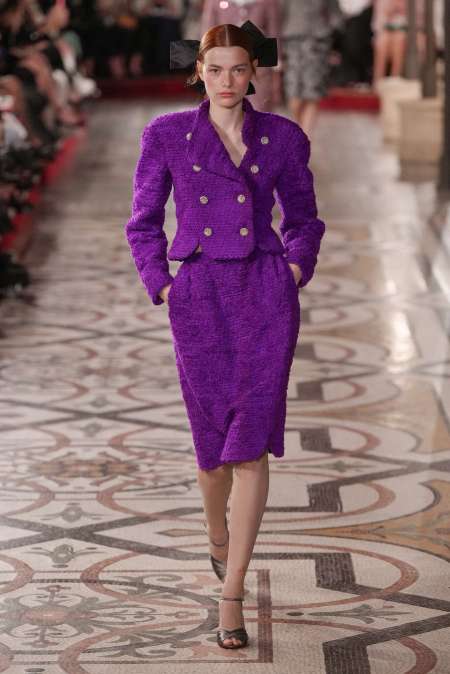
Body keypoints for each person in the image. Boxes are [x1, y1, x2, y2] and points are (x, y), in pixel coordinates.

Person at [125, 19, 325, 650]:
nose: (227, 81)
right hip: (200, 297)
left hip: (265, 294)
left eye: (239, 69)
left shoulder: (283, 137)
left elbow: (304, 219)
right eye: (216, 70)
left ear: (255, 72)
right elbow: (143, 221)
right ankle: (218, 535)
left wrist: (294, 270)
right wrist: (162, 284)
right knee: (212, 454)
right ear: (199, 72)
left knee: (251, 447)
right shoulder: (166, 134)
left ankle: (231, 590)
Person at [200, 0, 283, 111]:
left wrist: (276, 76)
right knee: (227, 111)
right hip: (224, 67)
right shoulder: (214, 2)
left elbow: (274, 34)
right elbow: (207, 37)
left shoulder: (268, 2)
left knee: (258, 110)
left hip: (259, 68)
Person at [280, 0, 343, 136]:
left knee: (312, 92)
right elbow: (279, 14)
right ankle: (296, 132)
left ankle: (305, 138)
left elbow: (336, 15)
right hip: (292, 43)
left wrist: (332, 34)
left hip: (318, 43)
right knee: (294, 92)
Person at [372, 0, 425, 85]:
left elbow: (420, 21)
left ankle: (395, 77)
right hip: (388, 33)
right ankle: (377, 81)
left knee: (399, 39)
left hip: (412, 33)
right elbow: (378, 24)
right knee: (382, 41)